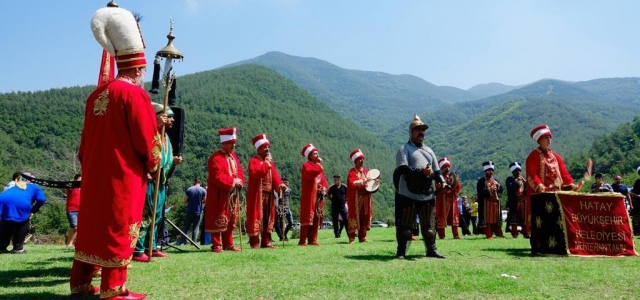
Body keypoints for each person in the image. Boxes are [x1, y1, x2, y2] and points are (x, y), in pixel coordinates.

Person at [69, 6, 161, 299]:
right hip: (124, 177)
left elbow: (84, 146)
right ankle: (114, 288)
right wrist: (155, 163)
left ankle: (80, 284)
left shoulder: (95, 95)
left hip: (95, 177)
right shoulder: (135, 94)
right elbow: (146, 140)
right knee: (119, 229)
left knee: (92, 229)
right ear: (139, 68)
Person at [393, 114, 447, 259]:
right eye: (418, 129)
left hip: (427, 193)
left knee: (429, 227)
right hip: (408, 193)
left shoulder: (429, 151)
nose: (421, 132)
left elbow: (436, 170)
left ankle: (431, 249)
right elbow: (403, 168)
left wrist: (441, 180)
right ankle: (401, 251)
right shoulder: (404, 149)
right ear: (411, 132)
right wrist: (421, 172)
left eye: (423, 129)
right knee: (405, 227)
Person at [133, 103, 183, 261]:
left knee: (157, 216)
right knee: (146, 215)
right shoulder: (150, 134)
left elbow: (164, 158)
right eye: (169, 117)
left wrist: (173, 161)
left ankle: (152, 247)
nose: (173, 120)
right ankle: (138, 249)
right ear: (159, 117)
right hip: (149, 182)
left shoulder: (166, 137)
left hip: (161, 182)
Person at [525, 124, 579, 236]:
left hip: (557, 194)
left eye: (550, 137)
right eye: (546, 138)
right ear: (539, 140)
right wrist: (540, 187)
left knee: (557, 219)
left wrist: (571, 184)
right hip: (542, 195)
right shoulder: (533, 156)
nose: (549, 139)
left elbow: (564, 174)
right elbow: (532, 175)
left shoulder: (556, 156)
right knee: (543, 220)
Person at [204, 128, 246, 253]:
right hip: (219, 193)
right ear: (223, 143)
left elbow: (240, 171)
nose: (233, 145)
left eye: (234, 143)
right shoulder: (215, 158)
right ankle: (216, 244)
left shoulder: (233, 157)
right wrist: (233, 182)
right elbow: (216, 176)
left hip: (232, 193)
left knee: (231, 218)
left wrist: (240, 181)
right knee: (219, 216)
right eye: (230, 143)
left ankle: (229, 243)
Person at [246, 134, 285, 249]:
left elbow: (275, 177)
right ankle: (254, 242)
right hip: (258, 194)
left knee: (267, 218)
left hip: (269, 194)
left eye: (268, 147)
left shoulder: (270, 163)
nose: (267, 149)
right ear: (258, 149)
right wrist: (267, 164)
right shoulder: (253, 161)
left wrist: (280, 185)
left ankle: (266, 241)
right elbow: (256, 173)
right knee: (256, 217)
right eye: (264, 147)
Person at [0, 172, 46, 254]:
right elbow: (41, 199)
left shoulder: (14, 185)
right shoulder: (35, 187)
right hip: (21, 203)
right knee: (23, 223)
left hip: (2, 200)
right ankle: (18, 248)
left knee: (6, 224)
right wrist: (33, 210)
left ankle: (1, 248)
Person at [299, 144, 328, 246]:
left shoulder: (318, 167)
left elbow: (323, 181)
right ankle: (302, 240)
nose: (317, 155)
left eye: (317, 153)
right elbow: (311, 174)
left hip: (318, 196)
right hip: (309, 196)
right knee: (307, 217)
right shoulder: (306, 165)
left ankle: (313, 239)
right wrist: (319, 165)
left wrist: (324, 187)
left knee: (317, 216)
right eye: (315, 153)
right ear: (310, 156)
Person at [346, 149, 375, 243]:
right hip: (356, 199)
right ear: (355, 161)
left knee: (364, 216)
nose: (362, 161)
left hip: (366, 198)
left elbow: (370, 182)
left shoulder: (366, 171)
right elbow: (351, 184)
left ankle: (363, 237)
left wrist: (374, 182)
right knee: (354, 216)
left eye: (362, 159)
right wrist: (363, 184)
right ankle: (351, 237)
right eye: (359, 159)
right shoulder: (352, 172)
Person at [435, 157, 462, 239]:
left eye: (448, 167)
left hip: (452, 199)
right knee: (441, 217)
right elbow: (437, 187)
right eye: (445, 167)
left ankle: (456, 235)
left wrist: (455, 182)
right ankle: (441, 235)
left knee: (454, 217)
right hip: (442, 199)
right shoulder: (438, 177)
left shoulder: (452, 176)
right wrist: (444, 185)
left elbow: (457, 188)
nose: (447, 168)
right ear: (442, 168)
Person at [477, 161, 504, 239]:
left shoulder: (496, 180)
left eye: (492, 170)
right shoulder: (481, 181)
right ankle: (488, 234)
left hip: (495, 202)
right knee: (487, 219)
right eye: (489, 170)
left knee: (496, 218)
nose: (491, 172)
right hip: (486, 203)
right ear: (485, 171)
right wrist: (490, 189)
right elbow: (481, 192)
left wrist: (498, 186)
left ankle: (498, 233)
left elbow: (501, 190)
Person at [176, 178, 206, 245]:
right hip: (198, 211)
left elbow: (185, 200)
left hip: (189, 210)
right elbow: (205, 201)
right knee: (196, 227)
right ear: (200, 183)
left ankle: (182, 241)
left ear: (194, 182)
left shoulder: (189, 189)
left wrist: (189, 201)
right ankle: (193, 242)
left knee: (186, 227)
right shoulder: (203, 190)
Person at [505, 162, 528, 238]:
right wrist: (516, 181)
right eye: (515, 171)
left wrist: (525, 182)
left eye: (518, 171)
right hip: (514, 202)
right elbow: (511, 187)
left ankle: (525, 233)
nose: (517, 172)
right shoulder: (509, 179)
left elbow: (527, 189)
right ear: (513, 172)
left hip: (523, 202)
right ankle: (514, 233)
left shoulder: (522, 180)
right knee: (514, 219)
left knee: (524, 219)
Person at [65, 174, 82, 248]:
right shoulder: (72, 187)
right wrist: (74, 183)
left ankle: (75, 243)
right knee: (75, 227)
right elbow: (70, 186)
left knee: (80, 228)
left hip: (82, 210)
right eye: (79, 180)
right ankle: (69, 243)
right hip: (72, 210)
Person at [630, 167, 640, 236]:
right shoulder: (637, 182)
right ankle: (636, 231)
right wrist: (637, 195)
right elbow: (631, 192)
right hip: (638, 203)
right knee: (636, 217)